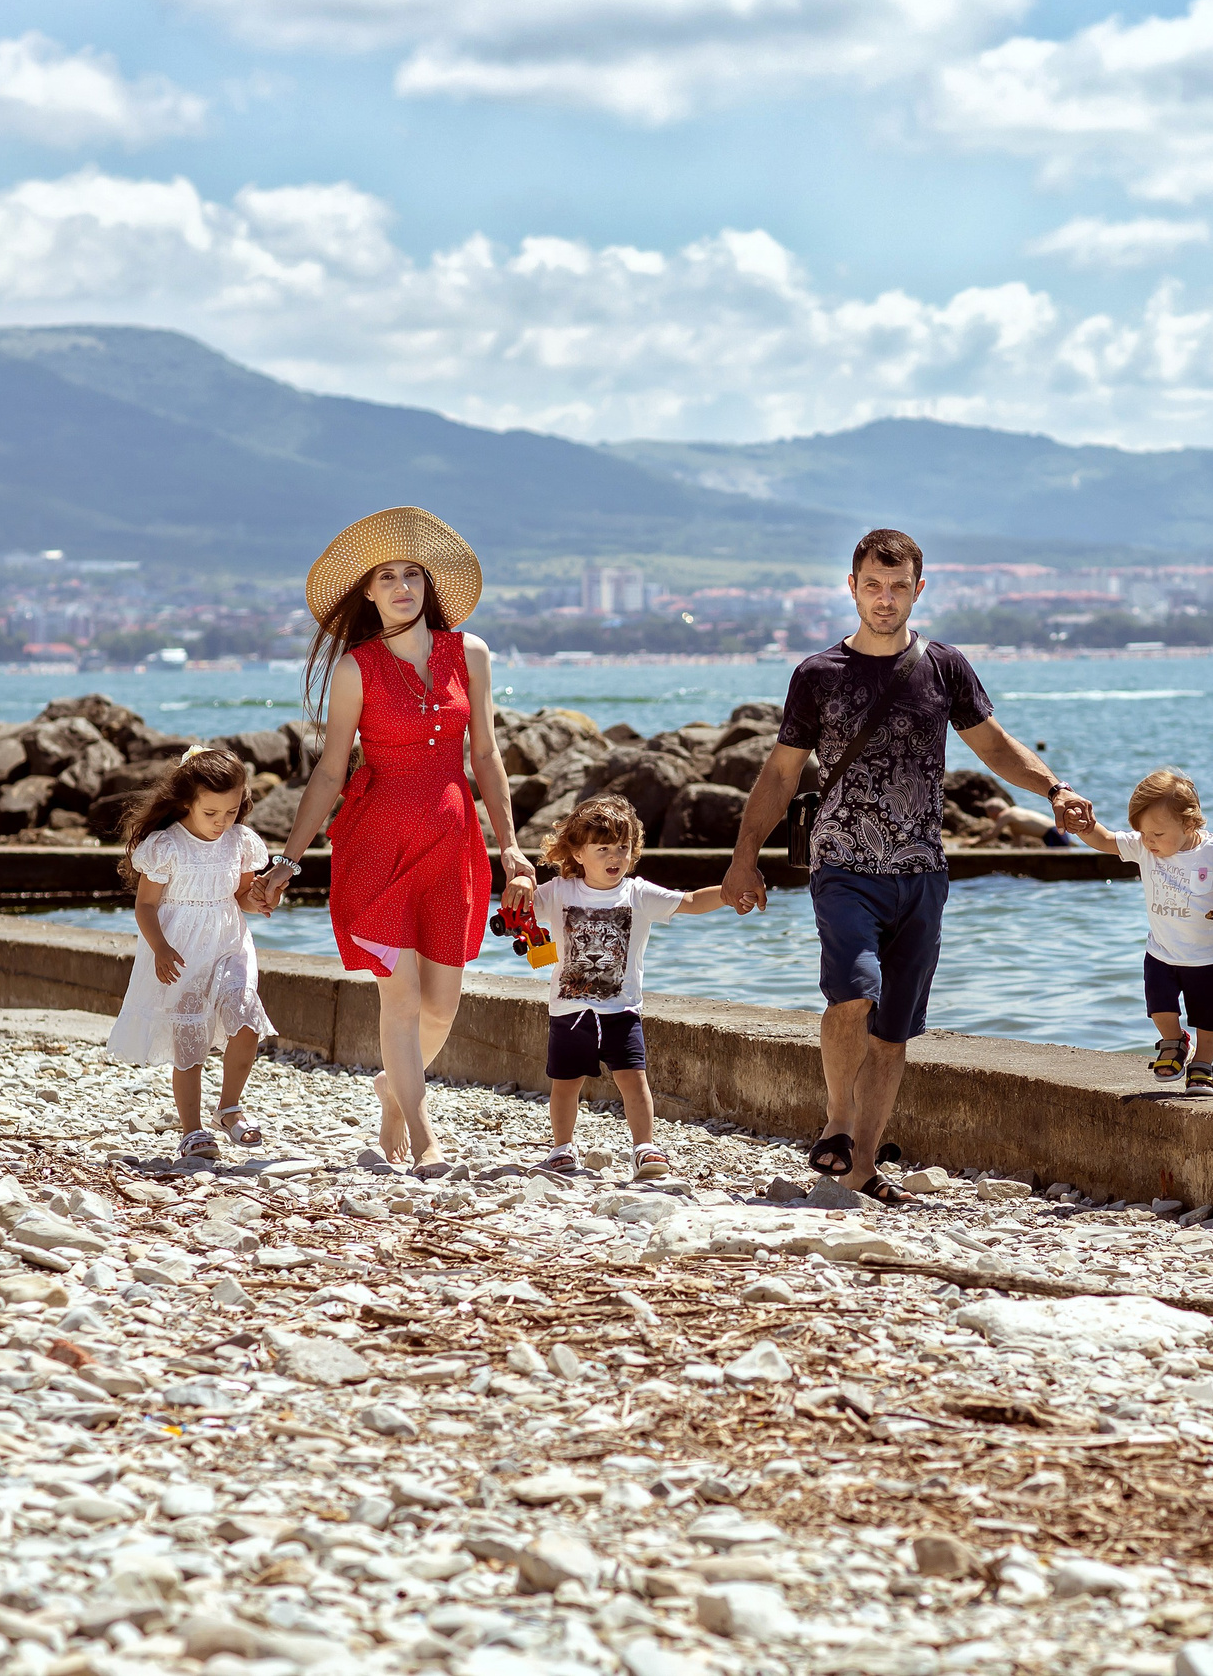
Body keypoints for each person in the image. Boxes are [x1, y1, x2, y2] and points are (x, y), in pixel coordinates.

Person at [722, 527, 1096, 1204]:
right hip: (843, 867)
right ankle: (837, 1122)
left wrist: (1054, 789)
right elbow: (779, 775)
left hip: (922, 873)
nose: (885, 599)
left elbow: (996, 747)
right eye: (873, 585)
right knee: (852, 993)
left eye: (898, 587)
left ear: (919, 590)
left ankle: (863, 1166)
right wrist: (743, 858)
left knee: (892, 1033)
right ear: (852, 587)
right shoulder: (817, 675)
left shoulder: (944, 667)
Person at [257, 507, 535, 1176]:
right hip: (377, 845)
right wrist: (289, 859)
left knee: (443, 1004)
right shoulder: (356, 669)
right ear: (369, 593)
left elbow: (488, 756)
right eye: (388, 577)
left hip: (452, 841)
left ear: (427, 585)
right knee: (401, 997)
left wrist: (512, 849)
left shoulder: (469, 654)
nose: (404, 586)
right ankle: (421, 1132)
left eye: (413, 574)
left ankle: (393, 1090)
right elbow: (330, 772)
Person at [528, 793, 734, 1181]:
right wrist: (519, 882)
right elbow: (520, 908)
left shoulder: (637, 894)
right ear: (577, 851)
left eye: (623, 847)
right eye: (603, 848)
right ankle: (561, 1148)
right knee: (565, 1085)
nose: (615, 857)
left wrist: (728, 893)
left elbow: (688, 901)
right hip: (569, 1011)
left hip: (622, 1011)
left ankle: (644, 1147)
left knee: (634, 1081)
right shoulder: (557, 892)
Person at [107, 747, 280, 1156]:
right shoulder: (166, 846)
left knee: (246, 1020)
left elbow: (240, 895)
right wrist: (161, 948)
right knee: (190, 1040)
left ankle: (229, 1107)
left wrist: (259, 901)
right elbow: (146, 906)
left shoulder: (239, 842)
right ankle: (192, 1129)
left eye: (232, 811)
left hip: (230, 944)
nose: (222, 822)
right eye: (211, 813)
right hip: (180, 952)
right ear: (187, 802)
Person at [1070, 767, 1213, 1097]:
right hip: (1162, 951)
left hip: (1210, 956)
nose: (1149, 841)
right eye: (1143, 834)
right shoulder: (1146, 847)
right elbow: (1104, 839)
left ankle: (1202, 1064)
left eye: (1157, 834)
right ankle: (1174, 1041)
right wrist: (1084, 828)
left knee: (1210, 1018)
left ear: (1189, 824)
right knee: (1160, 1007)